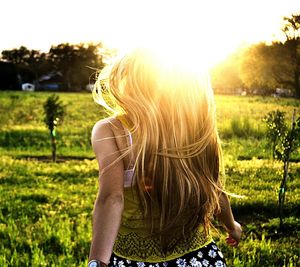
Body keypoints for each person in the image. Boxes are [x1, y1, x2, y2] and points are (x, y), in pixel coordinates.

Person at [88, 48, 242, 267]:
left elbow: (112, 198)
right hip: (197, 258)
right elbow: (214, 187)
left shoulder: (111, 130)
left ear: (128, 83)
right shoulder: (195, 129)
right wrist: (232, 226)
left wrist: (98, 262)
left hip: (133, 260)